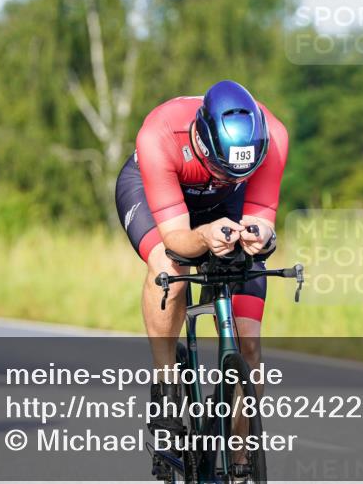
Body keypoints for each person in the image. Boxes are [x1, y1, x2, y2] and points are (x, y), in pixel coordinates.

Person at [114, 81, 288, 433]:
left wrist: (263, 237)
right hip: (160, 197)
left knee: (250, 347)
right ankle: (165, 382)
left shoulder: (275, 138)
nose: (230, 177)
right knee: (168, 266)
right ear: (201, 140)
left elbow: (263, 224)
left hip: (228, 203)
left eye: (240, 173)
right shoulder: (159, 135)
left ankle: (241, 465)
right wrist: (205, 235)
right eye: (224, 169)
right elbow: (177, 239)